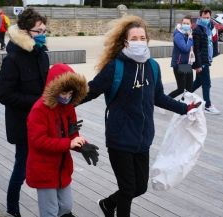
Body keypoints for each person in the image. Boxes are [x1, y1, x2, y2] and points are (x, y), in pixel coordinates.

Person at [81, 15, 200, 217]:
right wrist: (62, 100)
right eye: (134, 38)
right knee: (128, 189)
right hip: (119, 138)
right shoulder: (115, 67)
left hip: (143, 138)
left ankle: (108, 204)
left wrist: (184, 109)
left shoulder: (152, 66)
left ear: (147, 40)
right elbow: (90, 91)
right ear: (125, 42)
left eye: (142, 37)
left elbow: (159, 97)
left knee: (139, 187)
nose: (138, 41)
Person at [0, 8, 49, 217]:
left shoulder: (42, 54)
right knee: (22, 168)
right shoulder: (13, 58)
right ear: (26, 32)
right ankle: (13, 209)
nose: (43, 34)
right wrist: (37, 101)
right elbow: (4, 95)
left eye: (45, 30)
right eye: (39, 30)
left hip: (44, 124)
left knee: (45, 166)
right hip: (23, 124)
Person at [26, 63, 98, 217]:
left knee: (66, 206)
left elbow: (72, 134)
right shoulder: (39, 110)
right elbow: (38, 140)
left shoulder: (69, 107)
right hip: (43, 169)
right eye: (63, 92)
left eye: (70, 93)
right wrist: (68, 143)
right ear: (54, 89)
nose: (66, 96)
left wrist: (80, 145)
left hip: (62, 168)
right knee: (50, 211)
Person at [192, 7, 220, 114]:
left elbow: (211, 43)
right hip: (202, 62)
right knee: (207, 83)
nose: (206, 19)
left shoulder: (209, 28)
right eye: (204, 17)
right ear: (200, 17)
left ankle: (184, 97)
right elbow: (196, 49)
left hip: (206, 60)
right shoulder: (197, 30)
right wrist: (198, 65)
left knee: (198, 82)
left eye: (208, 17)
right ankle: (208, 105)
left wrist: (213, 55)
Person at [168, 15, 194, 98]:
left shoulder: (188, 33)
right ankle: (165, 100)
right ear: (181, 24)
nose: (185, 25)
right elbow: (185, 49)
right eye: (184, 23)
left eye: (187, 23)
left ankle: (185, 104)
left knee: (189, 87)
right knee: (181, 89)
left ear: (191, 25)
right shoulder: (178, 35)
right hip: (179, 64)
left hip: (186, 64)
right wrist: (190, 38)